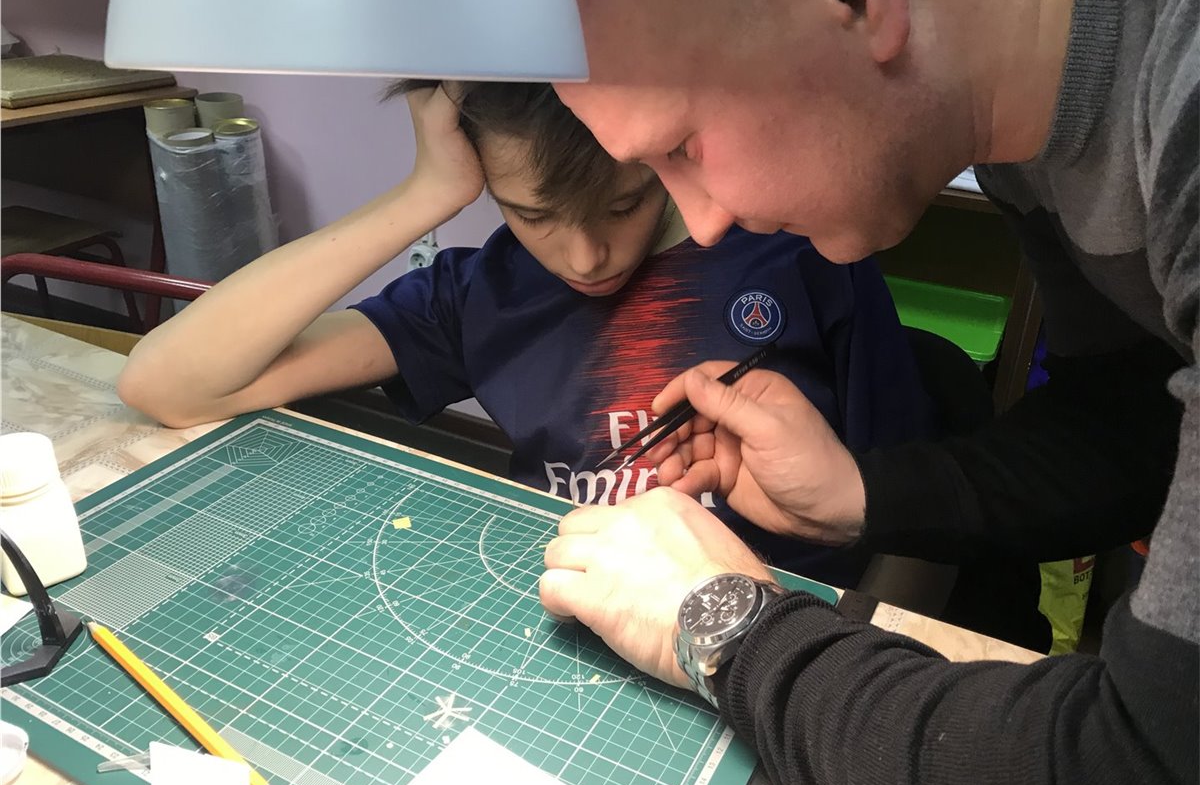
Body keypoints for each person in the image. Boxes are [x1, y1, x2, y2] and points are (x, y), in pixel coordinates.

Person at [534, 0, 1198, 785]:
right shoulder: (1023, 130)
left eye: (684, 147)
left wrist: (728, 626)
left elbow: (1145, 771)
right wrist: (859, 494)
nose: (705, 225)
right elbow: (1133, 427)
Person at [117, 79, 935, 587]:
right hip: (582, 610)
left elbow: (917, 516)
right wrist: (425, 193)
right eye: (532, 214)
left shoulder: (797, 262)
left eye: (624, 203)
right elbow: (168, 384)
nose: (586, 256)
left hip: (780, 631)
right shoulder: (480, 294)